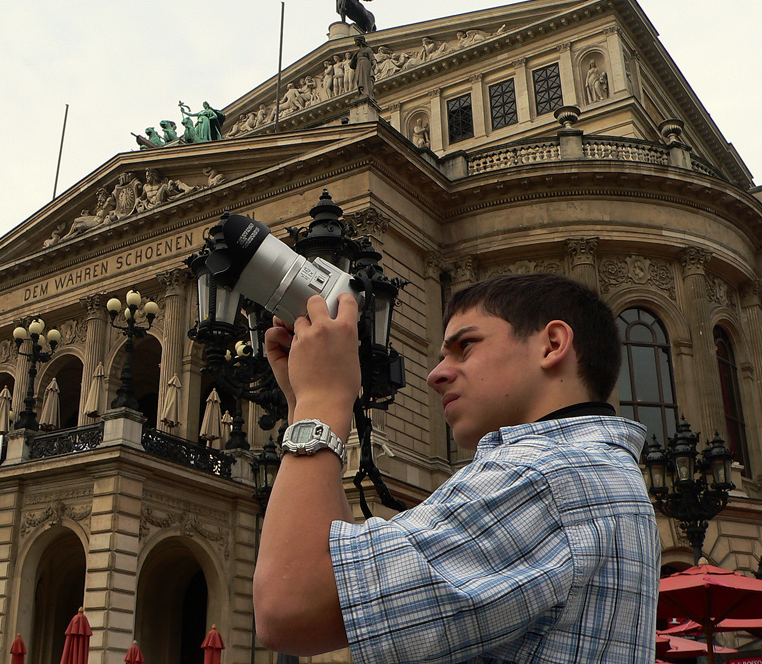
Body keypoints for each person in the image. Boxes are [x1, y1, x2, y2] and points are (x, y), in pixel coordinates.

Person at [253, 272, 659, 662]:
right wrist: (303, 406)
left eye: (465, 346)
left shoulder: (542, 476)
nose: (435, 374)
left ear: (552, 344)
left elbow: (290, 608)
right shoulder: (593, 472)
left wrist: (321, 400)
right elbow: (331, 590)